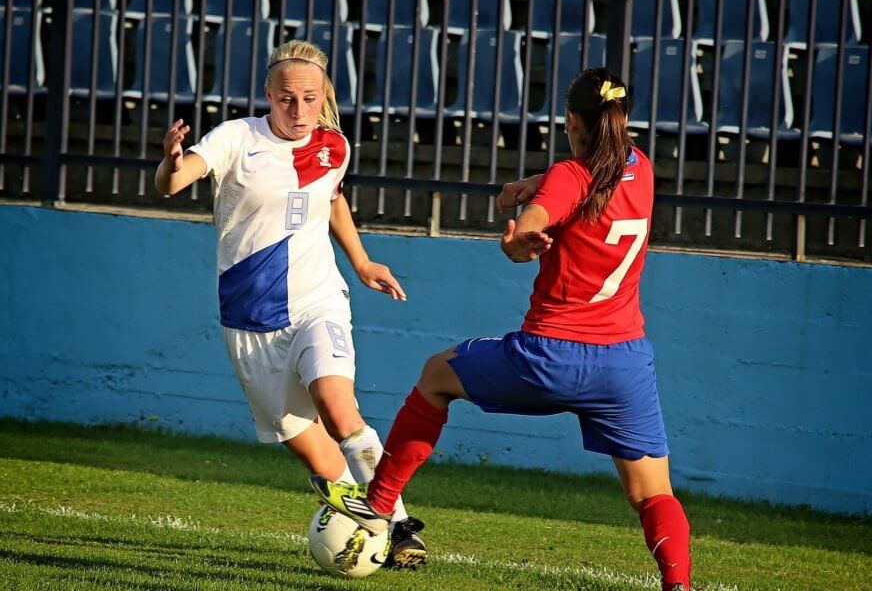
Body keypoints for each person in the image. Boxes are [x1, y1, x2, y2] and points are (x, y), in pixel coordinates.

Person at [311, 68, 692, 590]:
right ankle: (679, 586)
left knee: (435, 376)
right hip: (624, 364)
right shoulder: (641, 167)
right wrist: (534, 186)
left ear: (571, 120)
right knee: (653, 494)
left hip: (550, 355)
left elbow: (537, 219)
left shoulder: (569, 176)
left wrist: (519, 242)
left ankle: (379, 505)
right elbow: (584, 184)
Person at [153, 40, 427, 568]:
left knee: (338, 407)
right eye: (285, 99)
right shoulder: (237, 138)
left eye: (308, 98)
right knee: (317, 457)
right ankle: (369, 534)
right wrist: (170, 163)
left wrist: (363, 262)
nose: (297, 110)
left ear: (323, 95)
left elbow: (331, 198)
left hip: (317, 300)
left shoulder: (334, 146)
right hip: (250, 321)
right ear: (268, 96)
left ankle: (398, 526)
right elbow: (175, 181)